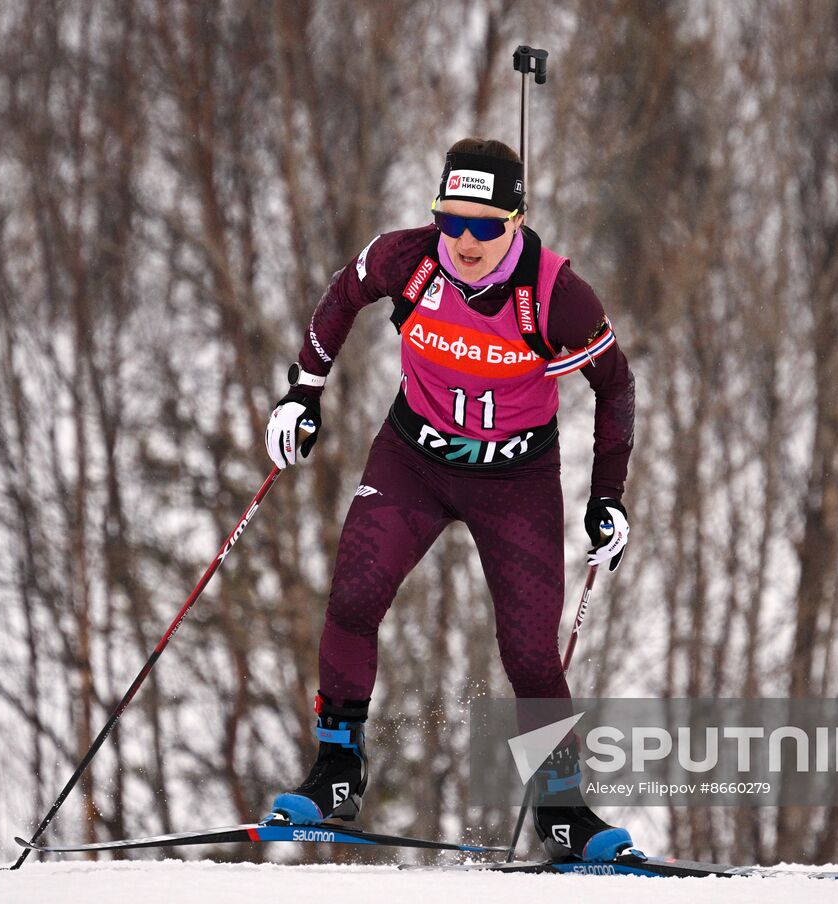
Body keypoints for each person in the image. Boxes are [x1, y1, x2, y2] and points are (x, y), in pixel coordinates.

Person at [262, 138, 637, 862]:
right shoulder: (409, 258)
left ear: (517, 220)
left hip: (516, 479)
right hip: (414, 460)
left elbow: (615, 386)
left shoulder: (556, 295)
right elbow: (344, 294)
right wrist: (302, 391)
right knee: (353, 597)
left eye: (485, 225)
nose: (464, 241)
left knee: (530, 655)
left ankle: (562, 811)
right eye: (452, 221)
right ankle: (337, 774)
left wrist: (609, 497)